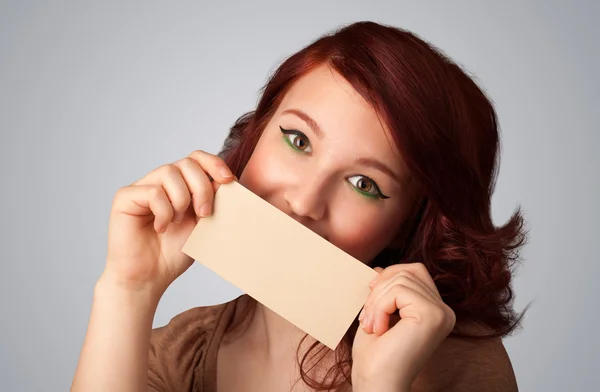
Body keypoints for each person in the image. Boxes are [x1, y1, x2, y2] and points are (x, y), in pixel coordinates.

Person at [71, 21, 526, 392]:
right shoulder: (180, 349)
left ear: (411, 224)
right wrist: (127, 291)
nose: (305, 201)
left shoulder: (457, 362)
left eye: (364, 183)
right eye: (298, 140)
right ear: (256, 134)